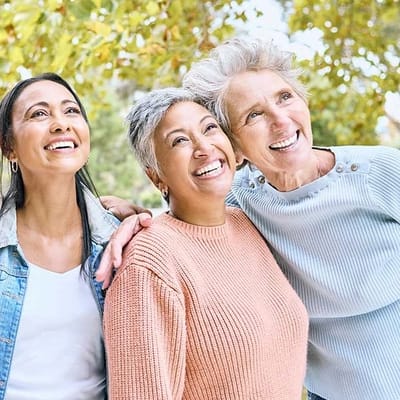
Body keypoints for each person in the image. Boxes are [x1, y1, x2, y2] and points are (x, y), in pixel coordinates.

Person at [180, 37, 400, 399]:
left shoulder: (380, 173)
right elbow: (179, 227)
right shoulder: (239, 202)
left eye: (285, 97)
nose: (281, 121)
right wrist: (127, 216)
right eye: (254, 115)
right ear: (233, 145)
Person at [103, 87, 309, 400]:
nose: (203, 147)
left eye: (209, 128)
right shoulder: (149, 260)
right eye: (179, 141)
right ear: (155, 176)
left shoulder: (247, 222)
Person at [0, 72, 149, 400]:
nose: (60, 123)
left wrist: (148, 218)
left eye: (71, 111)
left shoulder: (124, 242)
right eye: (39, 114)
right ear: (8, 146)